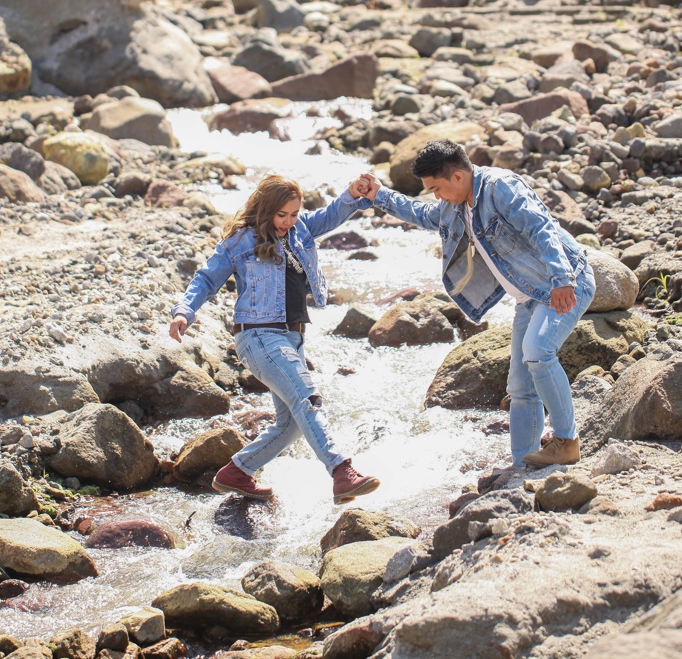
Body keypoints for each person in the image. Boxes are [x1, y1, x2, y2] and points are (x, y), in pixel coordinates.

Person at [356, 139, 596, 469]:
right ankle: (522, 462)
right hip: (530, 296)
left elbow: (541, 227)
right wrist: (378, 195)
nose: (436, 197)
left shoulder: (501, 187)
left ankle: (567, 441)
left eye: (437, 188)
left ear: (457, 176)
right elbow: (423, 214)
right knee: (520, 386)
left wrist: (561, 278)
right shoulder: (456, 203)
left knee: (539, 351)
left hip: (566, 283)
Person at [169, 175, 380, 504]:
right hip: (259, 335)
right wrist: (185, 310)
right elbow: (206, 278)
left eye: (294, 214)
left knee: (291, 425)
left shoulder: (300, 230)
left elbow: (333, 214)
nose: (288, 221)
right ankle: (341, 471)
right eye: (281, 215)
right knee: (307, 401)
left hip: (291, 338)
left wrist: (353, 195)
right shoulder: (241, 241)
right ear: (265, 210)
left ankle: (238, 471)